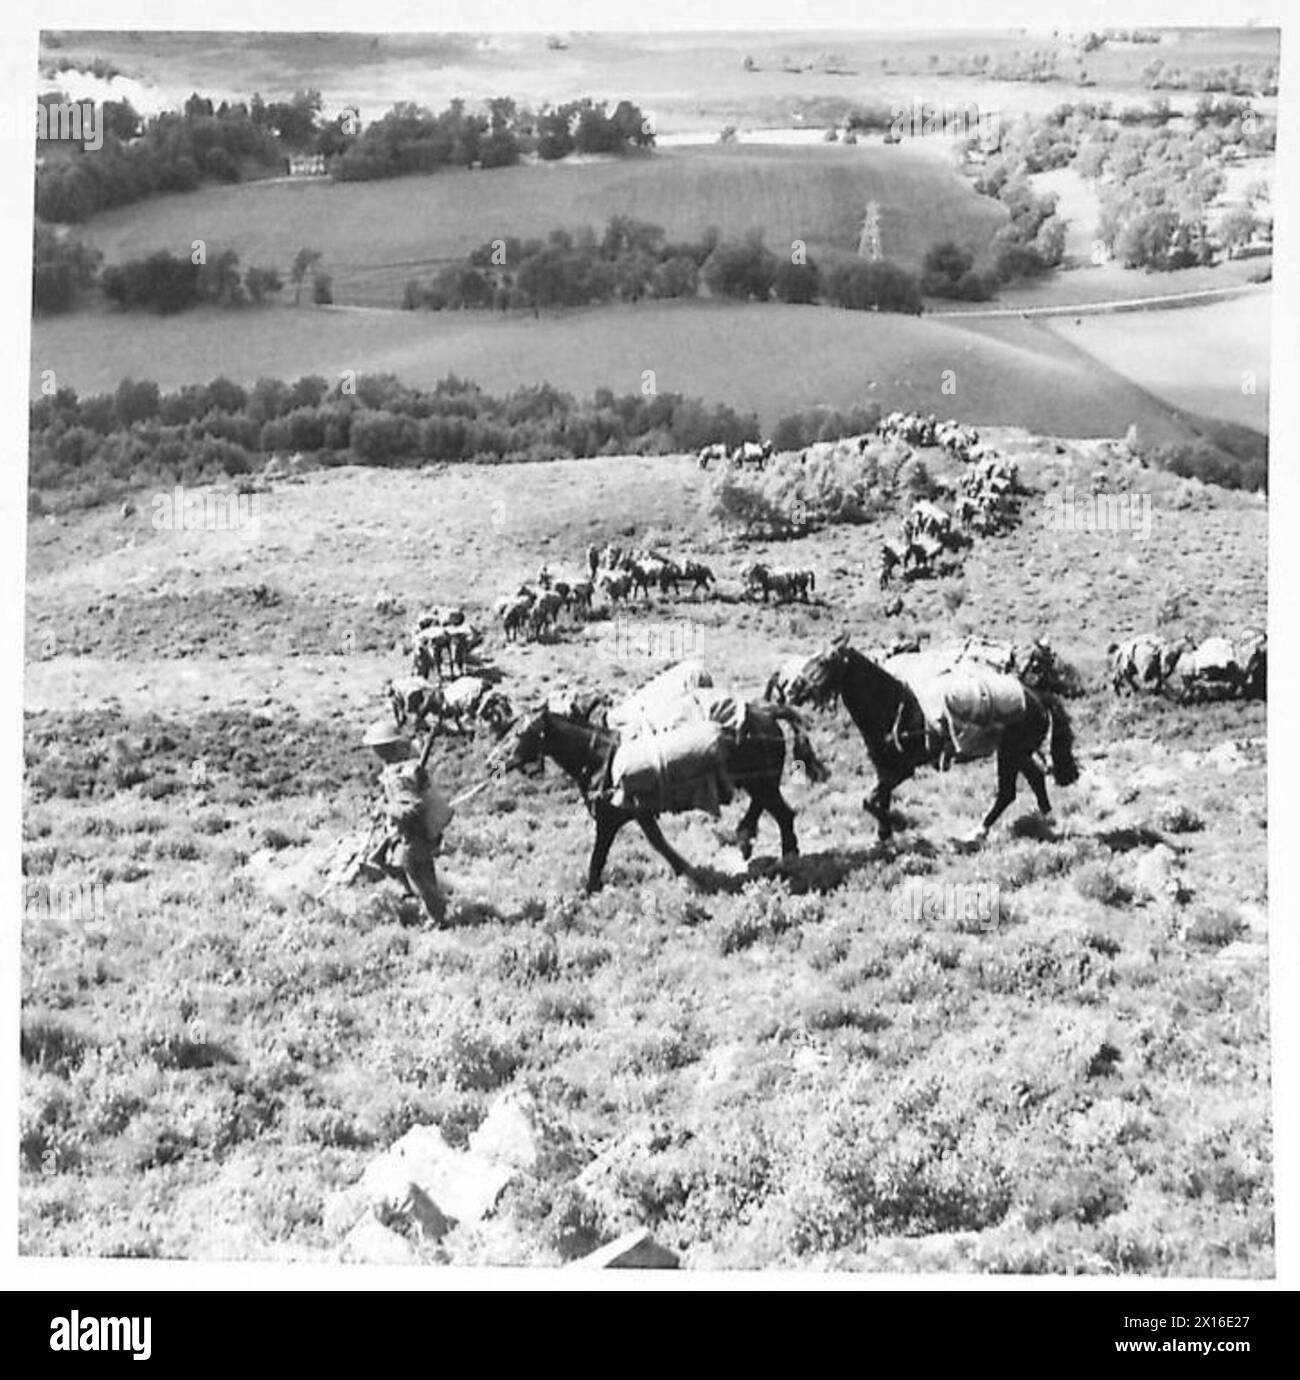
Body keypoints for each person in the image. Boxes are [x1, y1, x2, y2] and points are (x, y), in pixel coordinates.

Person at [361, 720, 454, 925]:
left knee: (421, 879)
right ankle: (424, 897)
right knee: (383, 860)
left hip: (413, 837)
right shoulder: (397, 770)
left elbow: (412, 808)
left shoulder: (400, 778)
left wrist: (384, 808)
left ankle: (437, 917)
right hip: (406, 834)